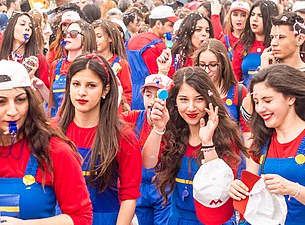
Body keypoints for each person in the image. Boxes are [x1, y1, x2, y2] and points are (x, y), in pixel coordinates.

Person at [0, 60, 93, 225]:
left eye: (20, 100)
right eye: (0, 102)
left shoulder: (55, 151)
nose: (13, 111)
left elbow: (81, 218)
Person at [142, 67, 248, 224]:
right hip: (178, 218)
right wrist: (158, 128)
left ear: (208, 100)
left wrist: (207, 143)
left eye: (198, 99)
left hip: (214, 219)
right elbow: (148, 162)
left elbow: (217, 185)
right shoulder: (171, 131)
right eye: (184, 99)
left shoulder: (225, 134)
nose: (191, 108)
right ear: (175, 102)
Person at [58, 54, 142, 225]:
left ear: (105, 89)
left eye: (91, 86)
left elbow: (129, 195)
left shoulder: (123, 136)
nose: (81, 92)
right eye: (76, 84)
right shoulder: (54, 132)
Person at [229, 64, 305, 225]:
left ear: (291, 97)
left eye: (268, 100)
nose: (260, 108)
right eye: (256, 102)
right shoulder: (262, 141)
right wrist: (238, 189)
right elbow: (250, 189)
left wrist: (294, 189)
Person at [121, 73, 173, 225]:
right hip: (137, 188)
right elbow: (109, 122)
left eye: (159, 96)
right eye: (148, 95)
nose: (152, 101)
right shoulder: (132, 118)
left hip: (164, 188)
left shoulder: (174, 124)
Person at [43, 19, 96, 118]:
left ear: (85, 39)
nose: (67, 35)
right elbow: (52, 103)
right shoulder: (57, 65)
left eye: (73, 33)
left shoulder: (92, 65)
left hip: (80, 120)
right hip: (58, 121)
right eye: (65, 33)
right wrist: (40, 87)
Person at [126, 5, 176, 110]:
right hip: (150, 93)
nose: (173, 29)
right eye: (170, 25)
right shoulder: (158, 46)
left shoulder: (132, 40)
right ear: (158, 24)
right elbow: (163, 77)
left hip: (131, 92)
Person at [231, 0, 278, 88]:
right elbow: (234, 76)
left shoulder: (276, 45)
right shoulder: (242, 44)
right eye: (252, 15)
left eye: (260, 16)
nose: (254, 19)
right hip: (245, 95)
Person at [0, 12, 48, 83]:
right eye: (22, 24)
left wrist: (32, 78)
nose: (27, 28)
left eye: (30, 27)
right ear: (11, 28)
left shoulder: (38, 59)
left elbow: (46, 92)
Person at [92, 19, 132, 106]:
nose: (95, 40)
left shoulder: (121, 64)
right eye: (93, 37)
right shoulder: (89, 61)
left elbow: (128, 93)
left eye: (99, 36)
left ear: (110, 38)